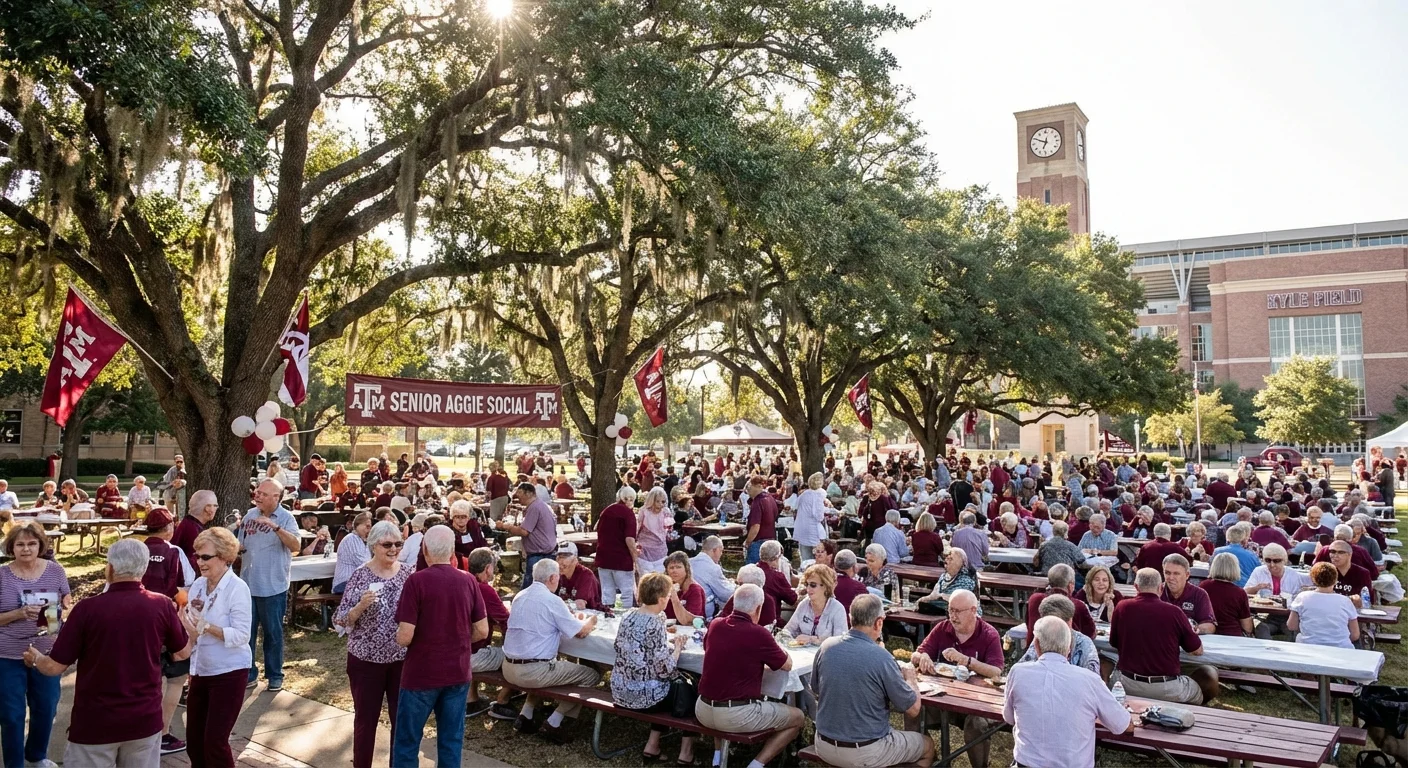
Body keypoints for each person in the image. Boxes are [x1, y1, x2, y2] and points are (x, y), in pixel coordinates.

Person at [23, 539, 189, 767]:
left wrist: (36, 659)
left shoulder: (87, 609)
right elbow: (182, 653)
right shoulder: (161, 605)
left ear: (110, 568)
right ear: (143, 568)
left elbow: (53, 667)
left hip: (95, 723)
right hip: (144, 721)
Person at [392, 526, 488, 766]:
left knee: (407, 742)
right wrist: (458, 639)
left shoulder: (416, 581)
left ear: (424, 550)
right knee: (451, 741)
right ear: (453, 551)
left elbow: (405, 636)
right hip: (457, 671)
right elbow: (482, 630)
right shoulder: (468, 581)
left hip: (421, 674)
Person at [811, 594, 934, 768]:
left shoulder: (826, 647)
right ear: (879, 623)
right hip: (866, 750)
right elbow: (913, 709)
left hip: (823, 744)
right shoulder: (882, 658)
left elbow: (815, 688)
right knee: (927, 746)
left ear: (850, 618)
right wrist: (910, 677)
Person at [695, 584, 804, 768]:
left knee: (720, 691)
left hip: (702, 709)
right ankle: (756, 765)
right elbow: (787, 664)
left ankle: (717, 757)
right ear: (758, 608)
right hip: (736, 715)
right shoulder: (758, 633)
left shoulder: (715, 625)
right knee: (798, 717)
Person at [1005, 616, 1132, 768]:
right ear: (1069, 647)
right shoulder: (1090, 680)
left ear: (1036, 644)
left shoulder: (1018, 672)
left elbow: (1009, 718)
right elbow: (1121, 725)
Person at [334, 521, 410, 768]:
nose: (394, 549)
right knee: (366, 721)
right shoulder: (361, 575)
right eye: (387, 544)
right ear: (373, 546)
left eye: (398, 544)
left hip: (400, 659)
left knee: (401, 721)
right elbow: (340, 619)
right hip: (365, 661)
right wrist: (359, 607)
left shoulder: (409, 573)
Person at [501, 558, 600, 741]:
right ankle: (556, 720)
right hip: (533, 672)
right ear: (553, 578)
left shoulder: (520, 595)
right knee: (592, 675)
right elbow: (581, 632)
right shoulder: (551, 600)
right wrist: (592, 621)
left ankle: (527, 714)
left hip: (508, 668)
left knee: (545, 664)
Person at [0, 522, 71, 768]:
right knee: (11, 714)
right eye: (20, 544)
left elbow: (66, 599)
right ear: (11, 547)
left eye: (32, 543)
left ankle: (36, 755)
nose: (26, 549)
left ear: (40, 545)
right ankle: (14, 764)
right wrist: (18, 613)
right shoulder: (2, 575)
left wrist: (66, 606)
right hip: (7, 654)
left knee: (46, 707)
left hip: (47, 651)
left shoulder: (55, 570)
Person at [181, 527, 252, 768]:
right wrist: (184, 627)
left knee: (214, 742)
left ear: (224, 557)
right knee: (194, 742)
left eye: (205, 557)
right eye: (197, 556)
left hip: (229, 672)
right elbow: (193, 630)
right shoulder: (199, 585)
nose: (199, 562)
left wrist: (207, 627)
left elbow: (242, 635)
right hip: (200, 670)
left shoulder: (237, 588)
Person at [611, 572, 697, 765]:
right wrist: (678, 648)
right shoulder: (656, 620)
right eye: (668, 596)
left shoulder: (628, 615)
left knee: (667, 686)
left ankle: (653, 745)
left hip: (620, 690)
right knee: (688, 689)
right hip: (643, 697)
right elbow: (664, 669)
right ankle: (686, 751)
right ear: (660, 599)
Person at [910, 590, 1002, 768]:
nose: (952, 616)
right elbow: (917, 653)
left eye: (958, 611)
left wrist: (967, 661)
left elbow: (996, 671)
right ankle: (925, 760)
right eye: (950, 610)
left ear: (973, 610)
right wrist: (922, 657)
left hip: (976, 702)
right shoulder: (943, 628)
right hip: (944, 697)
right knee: (913, 710)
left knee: (977, 724)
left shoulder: (989, 634)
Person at [1109, 568, 1216, 705]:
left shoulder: (1122, 607)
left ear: (1136, 587)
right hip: (1166, 687)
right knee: (1206, 679)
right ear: (1161, 587)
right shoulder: (1175, 612)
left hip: (1127, 684)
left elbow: (1114, 642)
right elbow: (1196, 650)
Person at [140, 508, 197, 755]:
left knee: (143, 677)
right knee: (174, 679)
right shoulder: (174, 551)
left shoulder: (136, 550)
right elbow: (189, 581)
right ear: (169, 529)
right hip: (167, 619)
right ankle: (162, 735)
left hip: (137, 622)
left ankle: (141, 731)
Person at [237, 479, 300, 690]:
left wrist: (276, 527)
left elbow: (296, 545)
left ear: (276, 497)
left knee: (273, 634)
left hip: (273, 587)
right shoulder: (249, 515)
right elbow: (241, 546)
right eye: (257, 492)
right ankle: (249, 673)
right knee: (247, 634)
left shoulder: (286, 518)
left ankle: (274, 676)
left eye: (263, 493)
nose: (257, 495)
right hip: (247, 585)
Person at [465, 548, 514, 719]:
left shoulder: (464, 581)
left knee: (484, 647)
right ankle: (503, 702)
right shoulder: (484, 589)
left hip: (458, 650)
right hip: (472, 655)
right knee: (520, 658)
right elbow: (507, 620)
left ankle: (471, 700)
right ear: (487, 568)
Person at [1018, 594, 1100, 675]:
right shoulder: (1041, 638)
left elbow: (1093, 677)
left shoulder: (1083, 644)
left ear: (1070, 622)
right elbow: (1024, 667)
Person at [497, 483, 558, 589]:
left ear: (529, 493)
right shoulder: (539, 505)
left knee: (530, 586)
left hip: (539, 554)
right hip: (545, 552)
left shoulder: (534, 507)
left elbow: (524, 531)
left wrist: (505, 526)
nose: (517, 496)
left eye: (519, 493)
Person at [1289, 562, 1361, 649]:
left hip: (1309, 647)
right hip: (1341, 648)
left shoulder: (1302, 597)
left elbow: (1291, 625)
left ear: (1313, 579)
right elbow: (1355, 635)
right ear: (1335, 580)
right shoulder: (1345, 601)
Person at [1244, 543, 1309, 639]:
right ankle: (1266, 651)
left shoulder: (1293, 574)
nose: (1272, 564)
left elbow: (1313, 580)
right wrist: (1257, 588)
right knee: (1261, 628)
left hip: (1287, 616)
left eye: (1276, 561)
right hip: (1266, 616)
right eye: (1268, 560)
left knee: (1294, 631)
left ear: (1284, 561)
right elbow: (1245, 593)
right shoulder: (1259, 571)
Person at [1024, 563, 1095, 641]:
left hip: (1034, 650)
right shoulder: (1078, 605)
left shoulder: (1034, 599)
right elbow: (1090, 635)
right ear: (1070, 585)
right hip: (1064, 651)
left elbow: (1028, 625)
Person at [596, 486, 640, 609]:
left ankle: (607, 617)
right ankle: (625, 619)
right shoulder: (628, 513)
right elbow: (629, 539)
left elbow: (597, 529)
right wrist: (635, 558)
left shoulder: (607, 510)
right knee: (626, 593)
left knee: (607, 593)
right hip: (621, 560)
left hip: (604, 558)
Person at [784, 564, 847, 644]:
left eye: (813, 585)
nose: (808, 589)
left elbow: (840, 641)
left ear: (825, 586)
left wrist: (813, 639)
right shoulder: (804, 604)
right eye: (806, 584)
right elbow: (787, 631)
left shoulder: (837, 609)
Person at [1160, 555, 1216, 634]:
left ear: (1187, 575)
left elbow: (1210, 625)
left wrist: (1194, 629)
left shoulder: (1199, 594)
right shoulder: (1157, 592)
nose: (1171, 577)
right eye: (1167, 573)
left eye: (1176, 574)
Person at [915, 549, 978, 615]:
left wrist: (940, 596)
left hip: (962, 613)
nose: (946, 560)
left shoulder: (966, 579)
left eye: (951, 559)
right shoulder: (944, 576)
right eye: (947, 557)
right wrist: (924, 599)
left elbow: (958, 600)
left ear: (959, 563)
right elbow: (933, 596)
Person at [1202, 553, 1253, 637]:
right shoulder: (1239, 593)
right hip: (1232, 635)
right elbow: (1247, 627)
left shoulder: (1203, 586)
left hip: (1208, 634)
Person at [691, 536, 734, 620]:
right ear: (715, 550)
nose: (721, 554)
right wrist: (735, 586)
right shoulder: (713, 568)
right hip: (705, 612)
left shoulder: (690, 562)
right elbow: (725, 594)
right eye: (721, 551)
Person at [1321, 540, 1373, 608]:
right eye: (1332, 552)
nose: (1335, 556)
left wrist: (1360, 601)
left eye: (1340, 552)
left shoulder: (1363, 573)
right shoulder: (1324, 571)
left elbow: (1369, 601)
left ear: (1349, 554)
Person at [554, 541, 605, 611]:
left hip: (592, 612)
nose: (560, 562)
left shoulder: (586, 575)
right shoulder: (560, 575)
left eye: (565, 558)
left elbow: (580, 605)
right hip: (569, 613)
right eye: (559, 557)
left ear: (575, 560)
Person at [742, 476, 780, 565]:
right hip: (771, 539)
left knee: (752, 571)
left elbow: (755, 526)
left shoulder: (757, 501)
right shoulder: (770, 498)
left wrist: (747, 542)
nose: (748, 491)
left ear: (757, 486)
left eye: (749, 487)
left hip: (758, 542)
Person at [794, 472, 830, 563]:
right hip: (813, 531)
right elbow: (819, 516)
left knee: (805, 559)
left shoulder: (804, 494)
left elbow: (796, 507)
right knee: (817, 558)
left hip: (801, 529)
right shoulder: (817, 496)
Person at [333, 512, 373, 594]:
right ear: (357, 525)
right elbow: (363, 564)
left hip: (355, 582)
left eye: (370, 527)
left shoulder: (363, 541)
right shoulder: (352, 539)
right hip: (344, 583)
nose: (369, 530)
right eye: (367, 526)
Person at [663, 551, 706, 625]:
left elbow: (691, 620)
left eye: (678, 567)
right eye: (671, 567)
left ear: (686, 569)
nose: (674, 570)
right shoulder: (664, 587)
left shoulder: (694, 590)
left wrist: (674, 597)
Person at [636, 487, 672, 573]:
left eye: (663, 501)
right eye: (657, 501)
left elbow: (669, 529)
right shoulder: (644, 511)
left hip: (660, 549)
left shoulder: (666, 512)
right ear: (652, 500)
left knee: (660, 576)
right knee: (645, 576)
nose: (660, 504)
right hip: (644, 550)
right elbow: (637, 527)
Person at [1212, 523, 1259, 588]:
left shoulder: (1217, 551)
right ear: (1243, 538)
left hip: (1220, 586)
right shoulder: (1251, 555)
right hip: (1244, 588)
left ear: (1227, 537)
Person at [757, 541, 799, 612]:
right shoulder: (777, 577)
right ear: (777, 557)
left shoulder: (751, 571)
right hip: (771, 618)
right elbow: (793, 599)